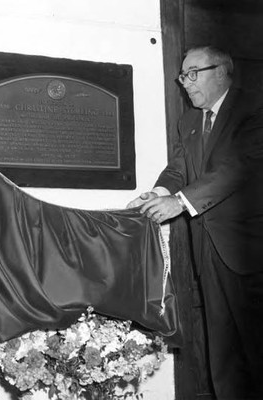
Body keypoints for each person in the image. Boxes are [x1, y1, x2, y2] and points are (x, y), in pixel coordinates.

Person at [128, 46, 263, 399]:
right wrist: (157, 193)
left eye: (193, 73)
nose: (185, 84)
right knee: (223, 356)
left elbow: (236, 168)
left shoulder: (254, 109)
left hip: (250, 252)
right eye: (182, 76)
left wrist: (179, 202)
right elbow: (178, 168)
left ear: (222, 71)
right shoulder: (188, 120)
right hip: (209, 253)